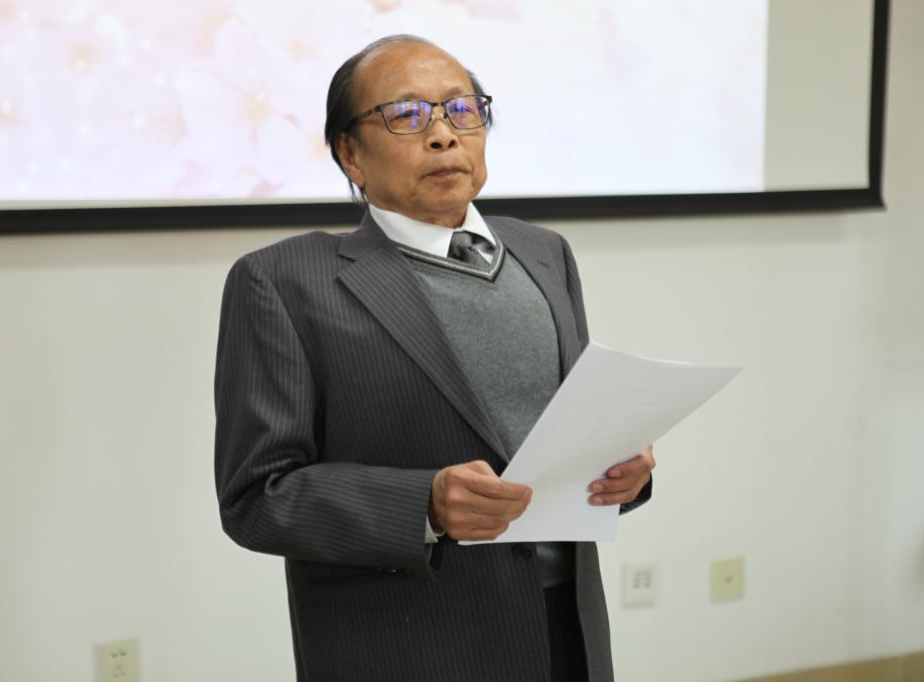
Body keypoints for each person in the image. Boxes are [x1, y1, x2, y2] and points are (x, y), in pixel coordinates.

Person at [214, 35, 655, 682]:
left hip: (565, 626)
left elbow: (569, 427)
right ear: (350, 154)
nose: (445, 134)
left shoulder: (544, 254)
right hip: (410, 644)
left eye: (462, 110)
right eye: (407, 115)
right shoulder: (283, 282)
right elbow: (256, 497)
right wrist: (422, 505)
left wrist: (619, 471)